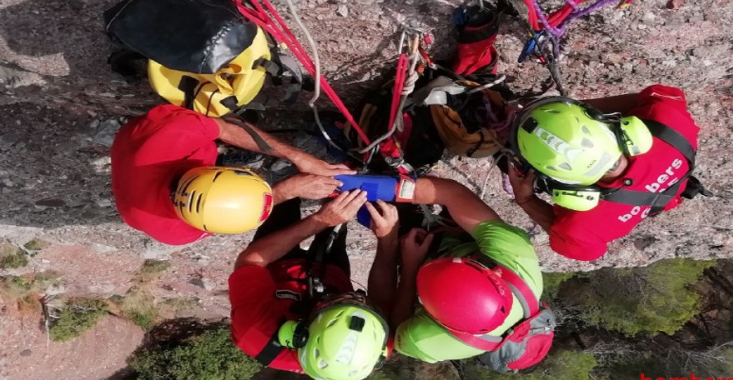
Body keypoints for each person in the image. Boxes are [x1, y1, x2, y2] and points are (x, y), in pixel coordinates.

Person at [505, 85, 704, 261]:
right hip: (665, 193)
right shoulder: (667, 121)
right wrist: (527, 199)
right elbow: (585, 251)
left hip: (666, 188)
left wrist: (579, 110)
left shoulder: (668, 121)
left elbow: (655, 95)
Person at [110, 104, 354, 245]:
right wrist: (286, 191)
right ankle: (235, 157)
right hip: (144, 167)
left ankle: (236, 154)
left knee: (220, 117)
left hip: (152, 136)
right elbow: (240, 213)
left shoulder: (172, 134)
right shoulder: (179, 230)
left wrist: (298, 157)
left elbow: (226, 125)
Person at [228, 189, 400, 380]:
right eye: (363, 304)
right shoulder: (373, 343)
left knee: (282, 200)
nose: (358, 297)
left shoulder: (255, 333)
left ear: (297, 330)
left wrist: (320, 220)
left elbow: (250, 262)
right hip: (332, 275)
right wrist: (387, 238)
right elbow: (383, 298)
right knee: (340, 209)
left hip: (274, 265)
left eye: (339, 301)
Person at [390, 176, 545, 364]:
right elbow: (453, 194)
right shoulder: (516, 260)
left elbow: (396, 328)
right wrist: (385, 186)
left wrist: (408, 265)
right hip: (464, 243)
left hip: (438, 260)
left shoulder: (433, 342)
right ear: (493, 273)